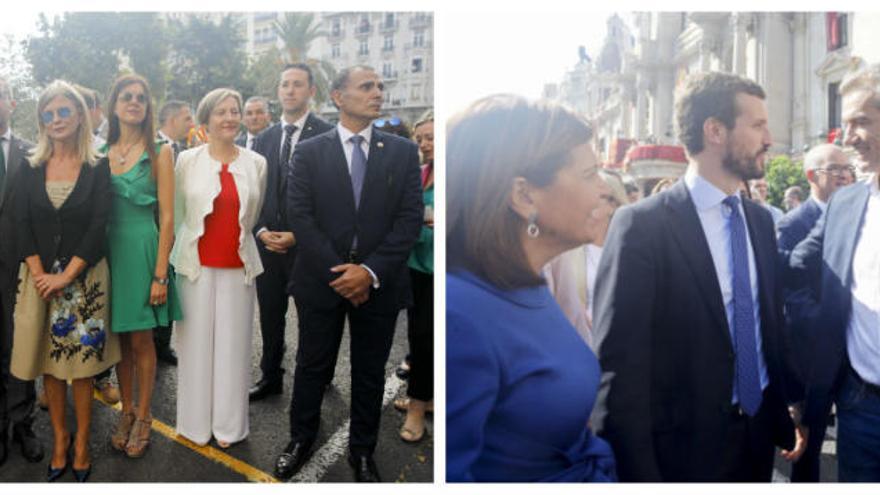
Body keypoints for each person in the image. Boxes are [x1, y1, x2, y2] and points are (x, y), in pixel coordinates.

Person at [591, 72, 804, 481]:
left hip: (758, 438)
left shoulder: (759, 221)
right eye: (758, 125)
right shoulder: (642, 225)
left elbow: (766, 325)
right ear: (715, 130)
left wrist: (787, 405)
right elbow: (619, 369)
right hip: (681, 452)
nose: (769, 138)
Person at [446, 95, 615, 482]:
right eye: (590, 174)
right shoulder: (461, 313)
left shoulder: (530, 283)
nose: (605, 190)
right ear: (524, 196)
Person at [276, 65, 422, 482]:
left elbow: (409, 219)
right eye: (366, 86)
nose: (378, 92)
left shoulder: (400, 151)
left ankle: (362, 451)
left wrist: (370, 272)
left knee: (370, 373)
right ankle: (299, 439)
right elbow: (300, 217)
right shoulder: (309, 151)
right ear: (338, 97)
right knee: (310, 365)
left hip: (379, 284)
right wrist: (341, 273)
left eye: (379, 86)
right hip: (321, 281)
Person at [10, 80, 121, 482]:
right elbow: (20, 221)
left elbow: (98, 226)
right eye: (48, 113)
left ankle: (82, 442)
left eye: (63, 112)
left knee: (83, 368)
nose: (56, 120)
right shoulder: (30, 164)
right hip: (40, 281)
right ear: (42, 119)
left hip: (85, 281)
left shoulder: (98, 164)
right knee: (51, 369)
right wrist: (42, 275)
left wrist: (67, 275)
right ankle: (59, 439)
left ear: (79, 116)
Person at [788, 63, 880, 482]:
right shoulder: (846, 203)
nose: (847, 137)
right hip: (860, 408)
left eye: (860, 121)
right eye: (845, 124)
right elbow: (793, 269)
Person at [170, 88, 266, 448]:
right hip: (194, 267)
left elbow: (252, 217)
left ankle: (229, 427)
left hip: (238, 268)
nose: (229, 117)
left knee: (233, 350)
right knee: (193, 348)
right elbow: (181, 216)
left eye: (235, 110)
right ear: (206, 119)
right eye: (221, 111)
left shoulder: (257, 163)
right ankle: (194, 424)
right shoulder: (187, 161)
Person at [101, 74, 182, 459]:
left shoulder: (160, 151)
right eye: (126, 96)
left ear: (148, 108)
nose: (134, 102)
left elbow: (167, 217)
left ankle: (145, 415)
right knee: (119, 339)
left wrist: (160, 273)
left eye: (141, 98)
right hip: (108, 252)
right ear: (114, 104)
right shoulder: (100, 151)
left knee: (141, 340)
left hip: (144, 248)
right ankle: (126, 411)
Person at [249, 63, 333, 402]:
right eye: (285, 84)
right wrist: (260, 229)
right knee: (270, 316)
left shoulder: (327, 135)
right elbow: (254, 193)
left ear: (311, 91)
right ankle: (271, 376)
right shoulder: (265, 138)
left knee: (313, 320)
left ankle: (319, 376)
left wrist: (299, 236)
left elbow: (333, 197)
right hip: (269, 245)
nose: (289, 90)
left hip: (309, 248)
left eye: (297, 84)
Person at [778, 143, 850, 482]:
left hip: (854, 357)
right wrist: (829, 322)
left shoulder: (857, 215)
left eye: (847, 169)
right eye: (835, 170)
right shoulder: (793, 224)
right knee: (808, 448)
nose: (844, 176)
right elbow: (789, 292)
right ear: (811, 176)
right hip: (811, 356)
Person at [0, 75, 43, 468]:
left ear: (12, 103)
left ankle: (23, 424)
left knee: (22, 346)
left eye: (1, 96)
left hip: (21, 267)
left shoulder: (32, 154)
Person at [544, 169, 630, 348]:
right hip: (580, 342)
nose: (589, 202)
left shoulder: (630, 249)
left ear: (613, 205)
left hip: (620, 342)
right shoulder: (566, 250)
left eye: (599, 197)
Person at [397, 111, 434, 443]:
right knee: (421, 340)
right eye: (420, 138)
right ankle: (421, 402)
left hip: (446, 272)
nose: (424, 144)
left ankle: (422, 403)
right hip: (418, 268)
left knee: (432, 341)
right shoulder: (420, 173)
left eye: (431, 138)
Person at [153, 99, 194, 367]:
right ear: (172, 120)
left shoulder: (186, 149)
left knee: (171, 284)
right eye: (187, 118)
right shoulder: (154, 147)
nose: (191, 124)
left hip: (181, 231)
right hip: (156, 230)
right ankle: (149, 345)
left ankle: (162, 345)